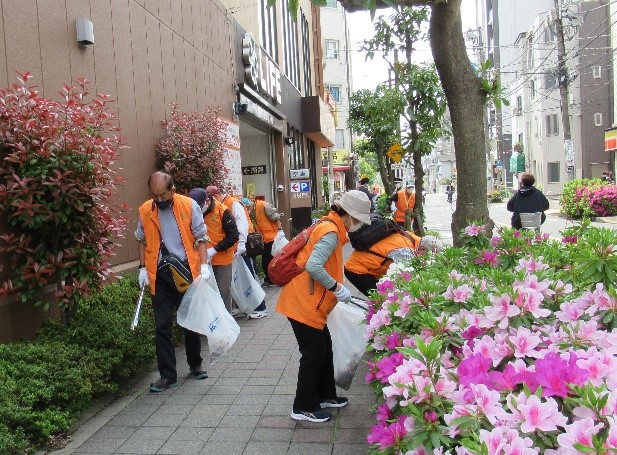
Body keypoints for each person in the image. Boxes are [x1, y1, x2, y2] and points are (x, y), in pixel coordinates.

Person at [276, 190, 372, 423]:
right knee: (313, 354)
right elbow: (314, 266)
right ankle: (303, 407)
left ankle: (326, 395)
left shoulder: (330, 226)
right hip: (303, 302)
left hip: (309, 300)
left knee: (324, 348)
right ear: (348, 215)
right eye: (357, 219)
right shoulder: (330, 232)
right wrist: (337, 288)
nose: (357, 225)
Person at [136, 171, 210, 393]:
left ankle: (195, 364)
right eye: (154, 196)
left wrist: (204, 266)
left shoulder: (188, 206)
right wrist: (142, 269)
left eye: (162, 195)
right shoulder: (145, 210)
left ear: (173, 190)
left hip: (185, 272)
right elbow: (141, 240)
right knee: (162, 326)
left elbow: (201, 237)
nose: (159, 200)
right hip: (159, 275)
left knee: (189, 321)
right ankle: (167, 375)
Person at [206, 186, 265, 318]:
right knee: (236, 280)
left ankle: (261, 307)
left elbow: (241, 225)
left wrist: (242, 245)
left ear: (215, 196)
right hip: (233, 249)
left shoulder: (233, 204)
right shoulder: (223, 204)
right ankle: (241, 306)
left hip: (240, 248)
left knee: (249, 277)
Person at [188, 188, 239, 314]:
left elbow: (233, 236)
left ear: (207, 201)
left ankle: (226, 324)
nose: (197, 211)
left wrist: (214, 250)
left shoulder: (222, 211)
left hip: (222, 260)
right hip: (201, 261)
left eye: (199, 207)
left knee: (222, 292)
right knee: (205, 295)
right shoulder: (191, 211)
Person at [345, 233, 441, 296]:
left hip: (364, 264)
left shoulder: (411, 238)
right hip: (357, 269)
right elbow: (406, 277)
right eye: (428, 256)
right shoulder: (406, 250)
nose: (427, 260)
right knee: (380, 299)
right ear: (422, 249)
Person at [249, 197, 284, 286]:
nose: (247, 208)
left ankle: (272, 279)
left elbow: (276, 217)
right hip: (264, 238)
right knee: (267, 260)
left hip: (272, 237)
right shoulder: (252, 211)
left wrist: (280, 231)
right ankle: (270, 279)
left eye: (247, 206)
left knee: (270, 259)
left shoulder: (263, 205)